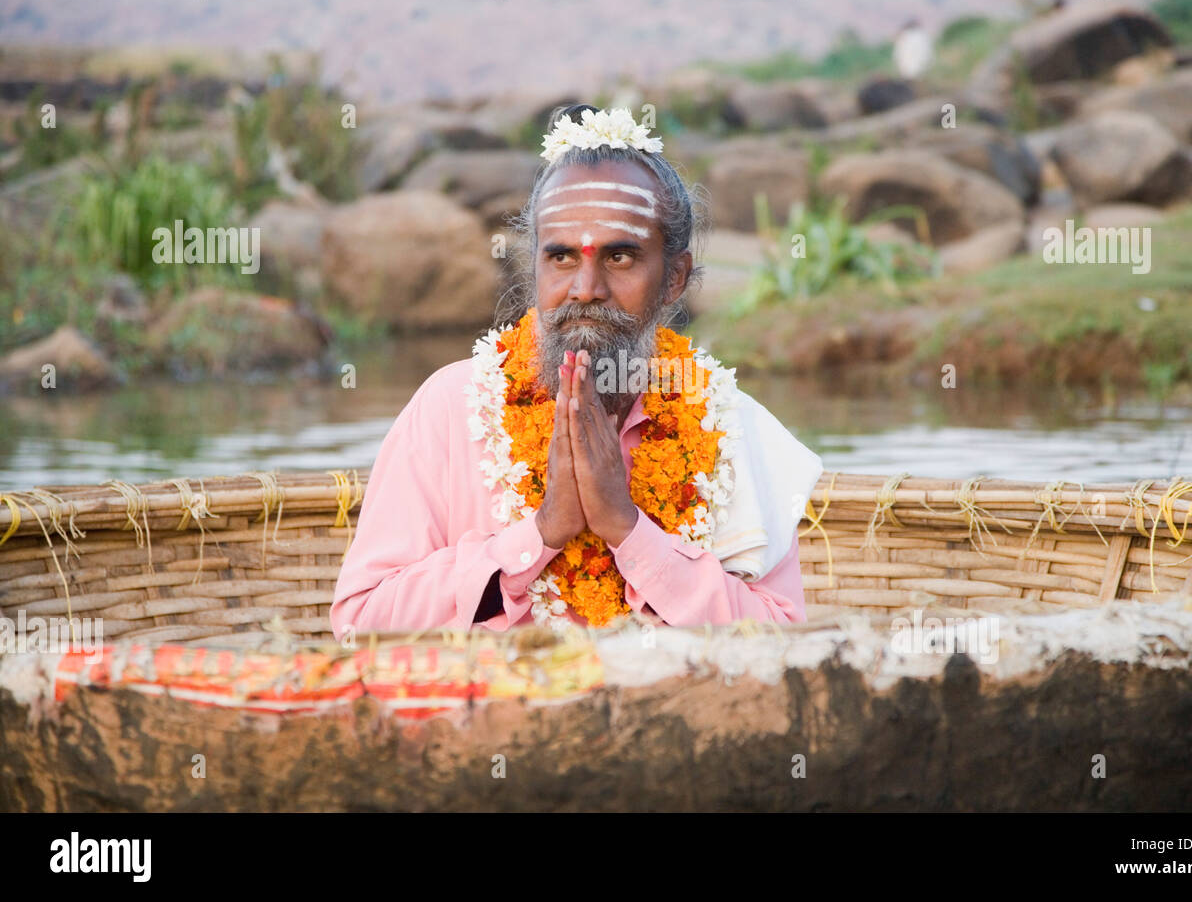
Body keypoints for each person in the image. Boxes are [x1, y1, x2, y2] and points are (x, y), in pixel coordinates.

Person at [330, 104, 823, 637]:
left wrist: (627, 529)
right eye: (562, 258)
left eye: (619, 257)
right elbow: (361, 622)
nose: (585, 288)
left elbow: (783, 637)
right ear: (536, 264)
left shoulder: (730, 427)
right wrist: (542, 532)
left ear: (675, 278)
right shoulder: (450, 406)